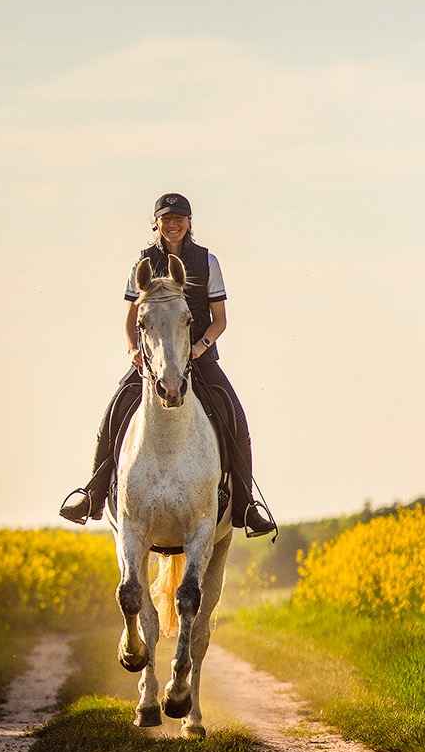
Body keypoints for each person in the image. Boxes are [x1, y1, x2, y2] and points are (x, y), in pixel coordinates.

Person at [60, 192, 276, 538]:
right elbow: (131, 319)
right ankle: (93, 494)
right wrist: (133, 350)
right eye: (167, 219)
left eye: (179, 219)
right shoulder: (142, 264)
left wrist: (199, 347)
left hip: (198, 358)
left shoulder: (208, 262)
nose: (173, 225)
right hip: (153, 362)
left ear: (189, 223)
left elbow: (219, 320)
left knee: (234, 415)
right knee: (115, 410)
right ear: (156, 223)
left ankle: (246, 506)